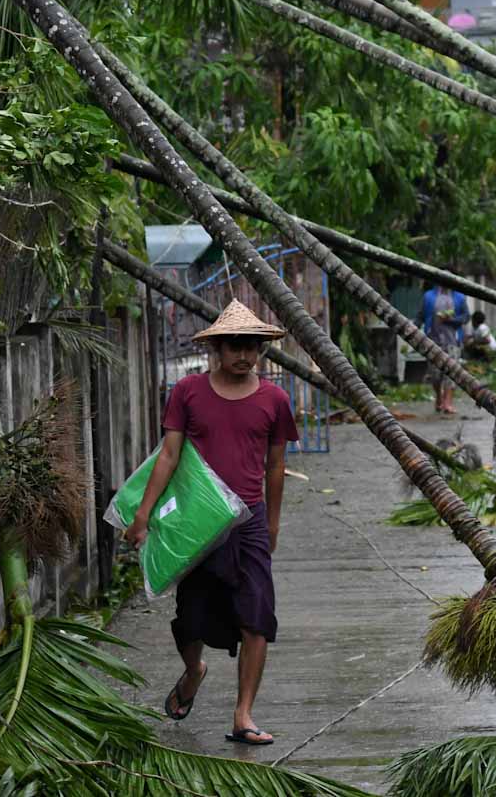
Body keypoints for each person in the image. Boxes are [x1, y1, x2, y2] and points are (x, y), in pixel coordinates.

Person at [123, 300, 295, 747]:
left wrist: (272, 524)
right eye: (235, 346)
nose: (244, 355)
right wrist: (143, 515)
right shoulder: (188, 392)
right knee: (191, 618)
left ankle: (243, 715)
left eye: (252, 346)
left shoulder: (275, 399)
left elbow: (275, 466)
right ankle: (193, 670)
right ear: (217, 347)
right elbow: (169, 455)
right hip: (197, 525)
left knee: (257, 617)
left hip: (250, 521)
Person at [419, 280, 468, 414]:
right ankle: (439, 397)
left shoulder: (459, 297)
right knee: (435, 374)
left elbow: (465, 316)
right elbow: (421, 315)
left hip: (453, 341)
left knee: (451, 372)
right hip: (432, 340)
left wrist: (450, 320)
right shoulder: (428, 296)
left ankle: (448, 402)